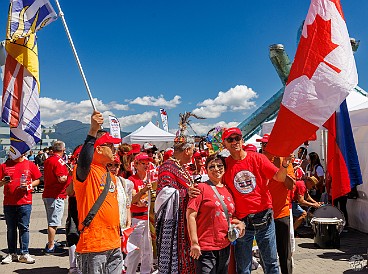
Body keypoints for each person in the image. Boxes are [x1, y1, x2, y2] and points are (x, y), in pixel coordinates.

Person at [221, 127, 292, 274]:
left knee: (271, 263)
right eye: (230, 139)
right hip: (241, 220)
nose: (235, 142)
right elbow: (216, 184)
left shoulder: (258, 158)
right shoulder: (224, 165)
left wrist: (284, 165)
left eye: (237, 138)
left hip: (263, 216)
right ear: (225, 144)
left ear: (242, 140)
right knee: (243, 267)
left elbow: (279, 177)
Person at [73, 111, 122, 273]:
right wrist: (92, 132)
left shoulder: (110, 175)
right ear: (99, 149)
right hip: (94, 245)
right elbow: (83, 162)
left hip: (114, 243)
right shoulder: (87, 172)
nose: (115, 149)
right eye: (111, 146)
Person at [186, 153, 245, 274]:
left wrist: (240, 223)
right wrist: (194, 243)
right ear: (206, 170)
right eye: (212, 166)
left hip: (225, 245)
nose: (216, 169)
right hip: (205, 248)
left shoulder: (228, 190)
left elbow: (228, 216)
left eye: (219, 166)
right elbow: (191, 215)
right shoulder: (200, 188)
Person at [155, 134, 196, 274]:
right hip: (176, 228)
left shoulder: (181, 167)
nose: (193, 154)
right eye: (193, 151)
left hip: (186, 222)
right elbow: (163, 195)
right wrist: (185, 193)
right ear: (187, 150)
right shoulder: (167, 166)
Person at [257, 134, 295, 274]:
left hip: (281, 213)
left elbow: (291, 186)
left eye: (267, 144)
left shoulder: (283, 161)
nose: (264, 147)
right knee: (264, 253)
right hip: (263, 214)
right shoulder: (258, 160)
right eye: (263, 144)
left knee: (284, 252)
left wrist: (282, 167)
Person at [0, 154, 42, 264]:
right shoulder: (4, 165)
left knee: (24, 228)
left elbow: (38, 179)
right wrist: (2, 182)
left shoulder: (30, 164)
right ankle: (12, 253)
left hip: (25, 202)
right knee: (11, 229)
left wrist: (29, 186)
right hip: (9, 202)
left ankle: (24, 253)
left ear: (22, 153)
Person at [125, 153, 154, 274]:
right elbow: (132, 200)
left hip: (149, 217)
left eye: (148, 163)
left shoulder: (151, 179)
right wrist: (144, 190)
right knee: (134, 249)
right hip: (137, 219)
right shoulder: (131, 180)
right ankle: (130, 271)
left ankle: (146, 272)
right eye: (143, 163)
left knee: (148, 249)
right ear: (136, 164)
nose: (146, 166)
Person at [42, 141, 69, 254]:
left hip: (49, 193)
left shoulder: (48, 160)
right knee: (54, 222)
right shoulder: (59, 161)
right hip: (56, 194)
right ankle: (51, 246)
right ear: (63, 150)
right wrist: (70, 175)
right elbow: (61, 178)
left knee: (52, 220)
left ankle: (51, 243)